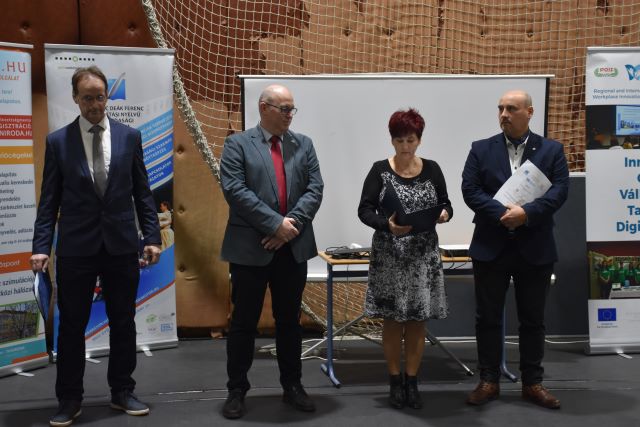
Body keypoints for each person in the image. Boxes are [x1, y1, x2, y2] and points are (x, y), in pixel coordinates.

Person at [30, 66, 161, 427]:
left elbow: (143, 193)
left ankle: (123, 391)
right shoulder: (58, 142)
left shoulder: (130, 137)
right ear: (75, 98)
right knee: (72, 326)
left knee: (123, 322)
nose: (94, 104)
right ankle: (70, 399)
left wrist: (152, 237)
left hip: (121, 246)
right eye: (87, 97)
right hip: (76, 248)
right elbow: (48, 201)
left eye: (100, 97)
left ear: (107, 97)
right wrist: (41, 246)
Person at [219, 84, 323, 419]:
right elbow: (235, 190)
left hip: (292, 248)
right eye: (284, 109)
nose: (290, 115)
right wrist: (275, 225)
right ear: (264, 108)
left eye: (293, 109)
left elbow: (315, 188)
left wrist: (289, 227)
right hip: (250, 249)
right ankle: (236, 390)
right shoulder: (237, 144)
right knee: (243, 323)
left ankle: (292, 385)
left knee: (289, 322)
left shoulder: (303, 144)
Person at [461, 89, 569, 409]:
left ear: (529, 112)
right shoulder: (481, 149)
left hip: (535, 246)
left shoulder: (551, 150)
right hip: (491, 245)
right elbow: (470, 190)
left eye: (511, 108)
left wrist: (527, 214)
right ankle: (489, 381)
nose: (504, 114)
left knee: (533, 320)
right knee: (487, 318)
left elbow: (560, 190)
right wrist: (503, 214)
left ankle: (532, 383)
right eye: (500, 109)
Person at [358, 108, 452, 410]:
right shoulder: (379, 170)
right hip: (391, 255)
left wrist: (444, 213)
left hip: (423, 256)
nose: (405, 147)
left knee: (416, 320)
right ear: (392, 140)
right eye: (399, 141)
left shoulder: (432, 169)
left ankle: (412, 381)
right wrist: (387, 225)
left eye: (410, 140)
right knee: (392, 320)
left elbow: (447, 203)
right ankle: (394, 381)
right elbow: (364, 210)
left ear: (419, 139)